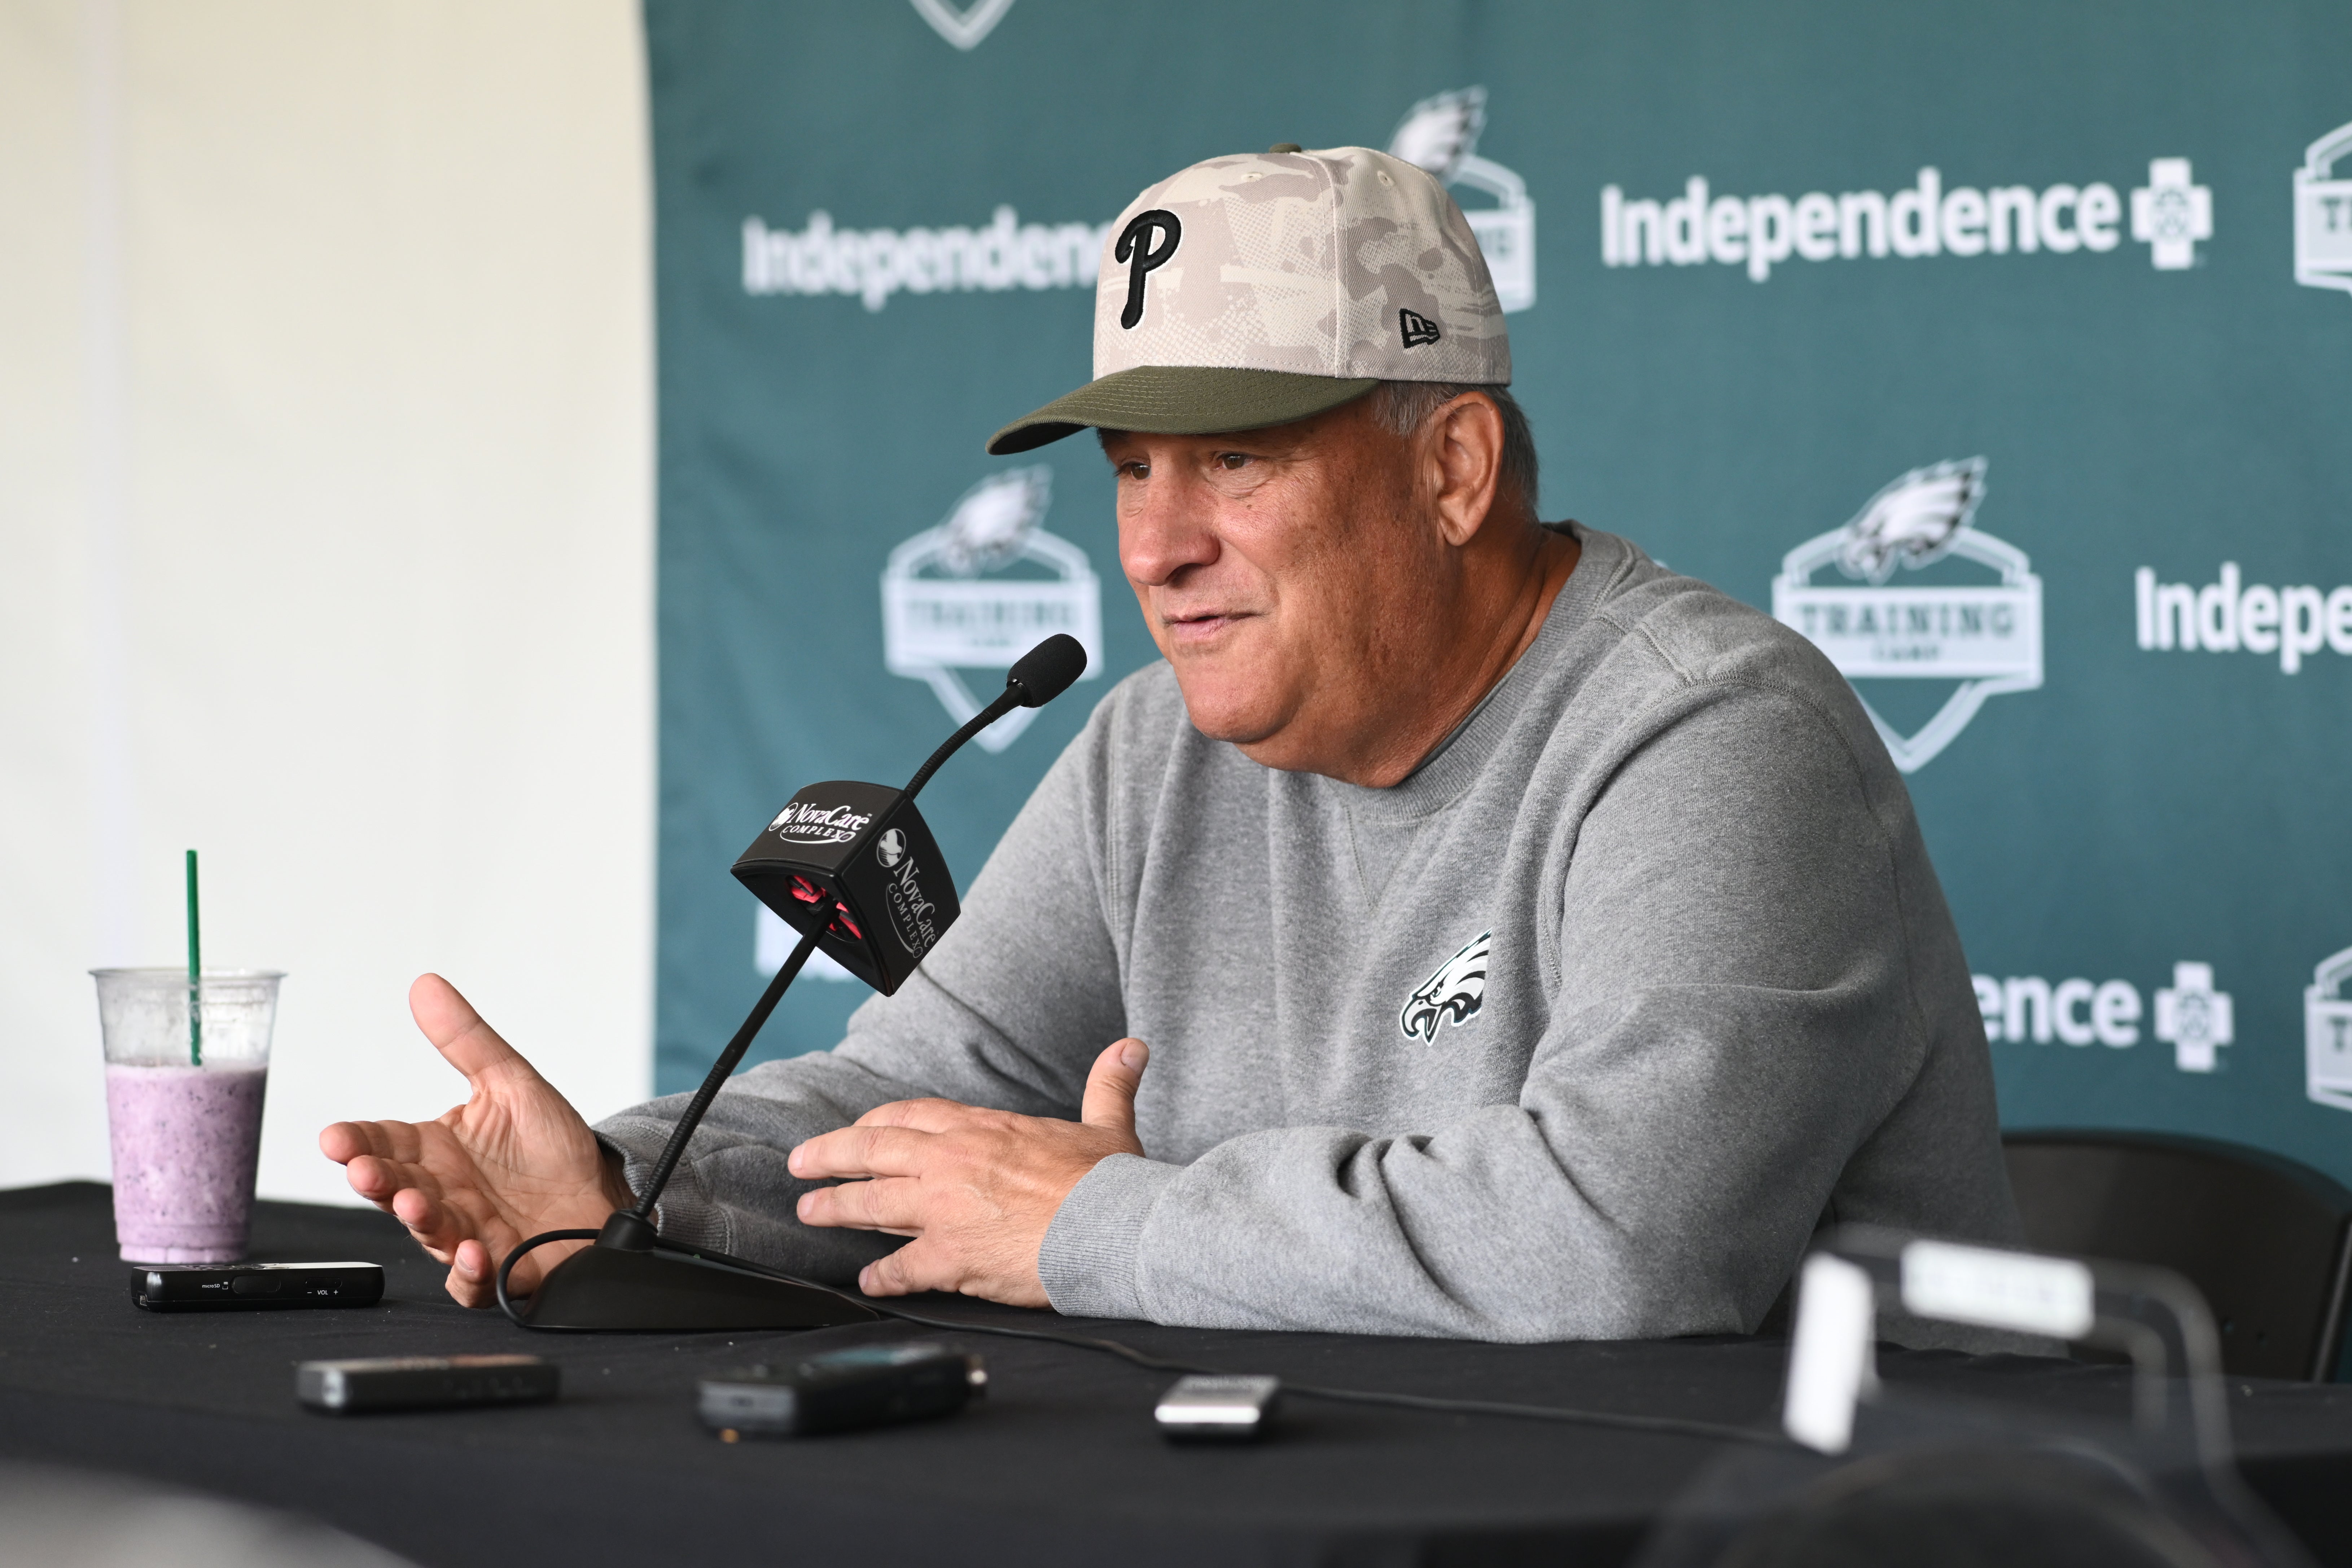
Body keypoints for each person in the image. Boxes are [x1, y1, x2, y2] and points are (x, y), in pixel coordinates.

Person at [323, 144, 2019, 1340]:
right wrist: (627, 1183)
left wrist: (1098, 1222)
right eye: (1133, 469)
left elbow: (1620, 1242)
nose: (1153, 546)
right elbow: (919, 1103)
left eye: (1238, 461)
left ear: (1451, 472)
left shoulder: (1713, 738)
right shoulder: (1159, 753)